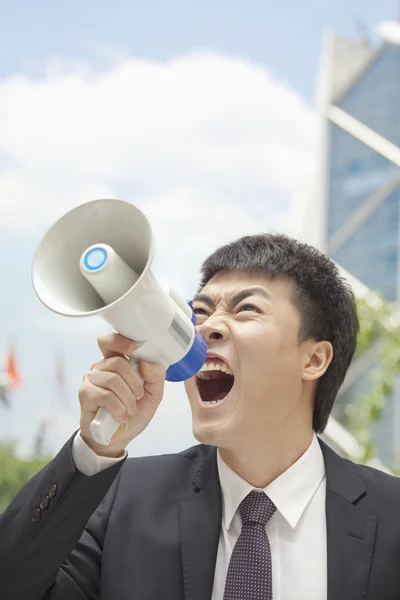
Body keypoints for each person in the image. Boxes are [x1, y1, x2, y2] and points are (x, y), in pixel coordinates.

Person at [1, 233, 400, 600]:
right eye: (201, 312)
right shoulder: (122, 498)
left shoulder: (391, 517)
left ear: (314, 359)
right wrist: (93, 450)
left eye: (246, 309)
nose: (208, 328)